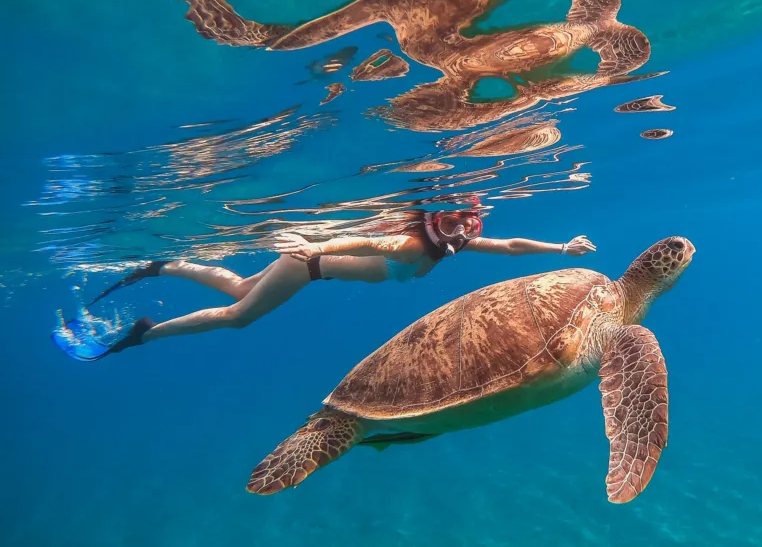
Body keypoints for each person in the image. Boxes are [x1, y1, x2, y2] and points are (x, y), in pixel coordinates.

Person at [53, 209, 596, 361]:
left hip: (308, 262)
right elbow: (383, 247)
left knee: (241, 289)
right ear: (437, 222)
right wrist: (319, 249)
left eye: (469, 227)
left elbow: (509, 246)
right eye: (457, 225)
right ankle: (144, 333)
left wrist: (561, 249)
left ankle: (163, 266)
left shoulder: (444, 245)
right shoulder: (415, 244)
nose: (465, 234)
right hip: (307, 266)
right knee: (240, 316)